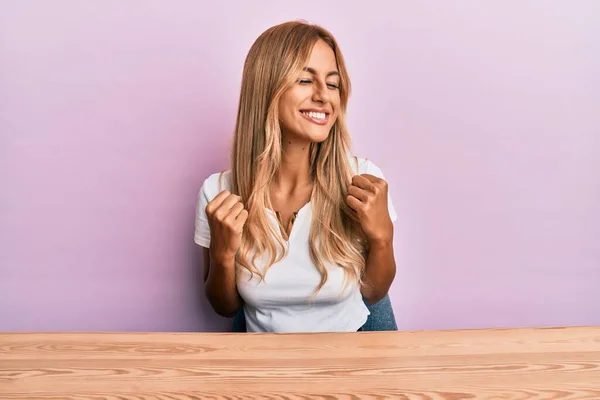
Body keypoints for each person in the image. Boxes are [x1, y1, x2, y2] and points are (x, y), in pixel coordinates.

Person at [194, 20, 398, 333]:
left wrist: (381, 238)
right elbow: (224, 307)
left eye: (332, 84)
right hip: (265, 368)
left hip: (350, 362)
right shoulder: (219, 192)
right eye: (305, 80)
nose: (323, 96)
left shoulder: (363, 180)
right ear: (266, 88)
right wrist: (223, 256)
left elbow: (374, 294)